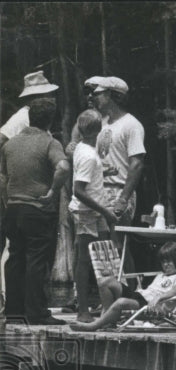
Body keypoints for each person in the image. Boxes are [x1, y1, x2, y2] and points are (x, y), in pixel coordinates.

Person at [0, 97, 70, 325]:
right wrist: (53, 191)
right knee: (37, 260)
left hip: (13, 208)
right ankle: (37, 312)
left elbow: (2, 177)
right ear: (50, 120)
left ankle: (13, 311)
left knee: (15, 258)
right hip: (37, 207)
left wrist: (7, 198)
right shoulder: (49, 142)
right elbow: (63, 167)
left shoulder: (10, 144)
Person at [0, 72, 59, 275]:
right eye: (45, 94)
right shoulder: (22, 117)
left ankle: (19, 301)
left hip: (28, 193)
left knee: (20, 250)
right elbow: (2, 139)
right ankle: (7, 296)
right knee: (15, 250)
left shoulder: (33, 116)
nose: (50, 98)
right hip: (21, 192)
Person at [69, 242, 176, 331]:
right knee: (105, 282)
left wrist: (159, 298)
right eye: (163, 261)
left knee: (121, 302)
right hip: (140, 296)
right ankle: (107, 321)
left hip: (149, 306)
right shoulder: (161, 275)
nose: (166, 264)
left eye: (169, 261)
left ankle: (94, 325)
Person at [68, 109, 117, 324]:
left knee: (104, 256)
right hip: (88, 212)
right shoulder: (88, 154)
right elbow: (79, 190)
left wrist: (104, 173)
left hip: (95, 211)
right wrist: (106, 211)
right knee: (86, 259)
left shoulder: (82, 147)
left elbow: (86, 176)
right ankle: (83, 310)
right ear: (97, 130)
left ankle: (109, 307)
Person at [88, 77, 145, 225]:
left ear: (112, 95)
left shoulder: (131, 125)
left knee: (116, 243)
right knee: (98, 245)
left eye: (98, 94)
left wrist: (124, 198)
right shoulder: (101, 123)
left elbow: (137, 164)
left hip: (118, 191)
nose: (94, 97)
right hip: (97, 190)